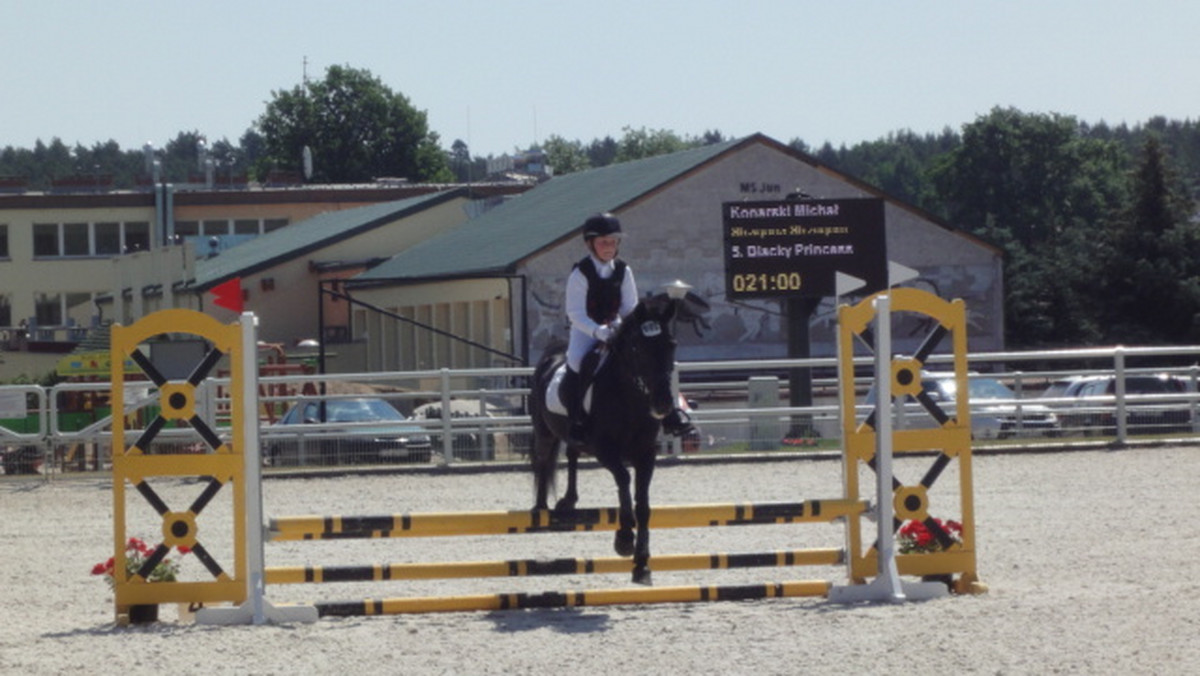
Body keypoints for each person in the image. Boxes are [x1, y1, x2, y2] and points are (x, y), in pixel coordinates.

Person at [562, 212, 638, 444]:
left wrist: (619, 327)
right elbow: (575, 314)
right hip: (586, 330)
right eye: (603, 242)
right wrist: (598, 331)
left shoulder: (624, 271)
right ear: (590, 243)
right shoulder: (580, 273)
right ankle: (577, 420)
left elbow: (630, 307)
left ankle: (661, 414)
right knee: (576, 362)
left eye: (613, 242)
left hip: (616, 329)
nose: (609, 247)